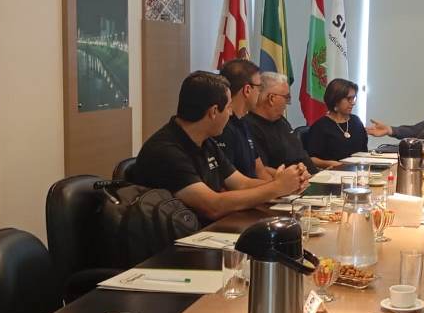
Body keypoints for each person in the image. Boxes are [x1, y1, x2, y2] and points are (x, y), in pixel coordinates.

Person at [131, 71, 310, 222]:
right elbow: (212, 206)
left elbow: (241, 183)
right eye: (229, 107)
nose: (231, 113)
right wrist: (276, 187)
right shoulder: (166, 150)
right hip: (173, 244)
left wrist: (287, 183)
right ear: (214, 112)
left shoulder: (206, 141)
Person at [244, 72, 320, 172]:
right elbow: (262, 170)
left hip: (311, 175)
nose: (287, 103)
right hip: (288, 179)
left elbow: (299, 153)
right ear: (271, 98)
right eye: (286, 97)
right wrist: (298, 175)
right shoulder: (249, 127)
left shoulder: (280, 120)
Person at [217, 59, 273, 180]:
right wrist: (280, 186)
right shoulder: (222, 128)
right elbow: (232, 185)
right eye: (259, 88)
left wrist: (288, 183)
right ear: (247, 90)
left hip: (257, 189)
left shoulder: (244, 122)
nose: (260, 93)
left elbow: (260, 171)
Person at [304, 78, 368, 169]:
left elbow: (364, 151)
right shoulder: (320, 127)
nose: (353, 103)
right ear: (336, 100)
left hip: (358, 171)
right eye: (349, 99)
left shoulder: (356, 121)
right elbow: (311, 159)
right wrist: (328, 164)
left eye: (354, 98)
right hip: (333, 173)